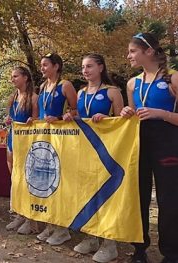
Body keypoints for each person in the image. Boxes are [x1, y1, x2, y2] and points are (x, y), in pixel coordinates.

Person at [121, 33, 178, 263]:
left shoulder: (173, 78)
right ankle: (139, 249)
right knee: (138, 198)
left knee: (169, 199)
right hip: (139, 144)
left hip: (168, 144)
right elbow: (133, 115)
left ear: (149, 52)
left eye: (133, 51)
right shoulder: (132, 83)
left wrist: (161, 114)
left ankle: (172, 253)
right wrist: (127, 113)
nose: (128, 56)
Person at [64, 53, 124, 263]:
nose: (85, 70)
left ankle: (109, 243)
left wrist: (108, 118)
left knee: (105, 195)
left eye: (89, 66)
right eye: (83, 67)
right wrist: (71, 117)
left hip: (107, 150)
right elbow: (81, 118)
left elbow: (123, 121)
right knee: (87, 192)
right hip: (85, 150)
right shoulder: (80, 93)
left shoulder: (113, 91)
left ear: (101, 67)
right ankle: (91, 237)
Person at [36, 53, 77, 245]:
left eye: (45, 65)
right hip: (45, 138)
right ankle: (51, 224)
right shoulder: (43, 87)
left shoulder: (65, 85)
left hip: (62, 139)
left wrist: (61, 118)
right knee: (46, 181)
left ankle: (63, 228)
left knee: (59, 181)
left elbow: (77, 112)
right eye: (41, 65)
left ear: (56, 66)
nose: (42, 68)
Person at [4, 66, 38, 234]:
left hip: (26, 144)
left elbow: (38, 123)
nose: (13, 79)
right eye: (12, 76)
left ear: (25, 77)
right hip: (12, 140)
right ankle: (19, 213)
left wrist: (33, 120)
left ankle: (31, 219)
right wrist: (8, 120)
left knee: (26, 180)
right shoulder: (13, 97)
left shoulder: (33, 98)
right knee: (15, 179)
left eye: (15, 76)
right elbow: (11, 118)